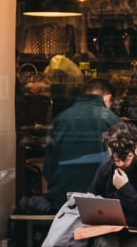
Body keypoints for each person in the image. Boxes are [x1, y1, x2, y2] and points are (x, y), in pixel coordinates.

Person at [43, 79, 120, 211]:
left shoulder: (60, 119)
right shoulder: (112, 120)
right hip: (102, 203)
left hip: (62, 201)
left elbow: (48, 168)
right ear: (108, 98)